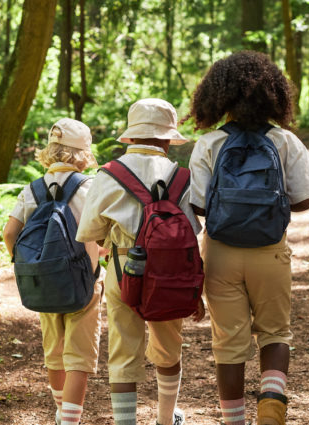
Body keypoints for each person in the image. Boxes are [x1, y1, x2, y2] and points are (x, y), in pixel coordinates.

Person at [185, 51, 309, 425]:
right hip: (270, 251)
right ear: (274, 94)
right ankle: (272, 402)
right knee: (276, 331)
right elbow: (306, 198)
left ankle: (235, 421)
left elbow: (197, 205)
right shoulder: (284, 141)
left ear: (216, 97)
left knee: (228, 343)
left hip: (221, 254)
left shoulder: (209, 144)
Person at [75, 98, 203, 425]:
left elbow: (89, 230)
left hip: (122, 269)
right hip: (171, 274)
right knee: (168, 347)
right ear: (167, 139)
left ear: (130, 137)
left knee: (122, 350)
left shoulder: (109, 174)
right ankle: (165, 419)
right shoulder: (182, 177)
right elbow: (191, 231)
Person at [2, 118, 103, 425]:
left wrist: (25, 265)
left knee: (54, 351)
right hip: (82, 282)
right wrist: (98, 262)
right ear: (83, 154)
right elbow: (98, 238)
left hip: (43, 280)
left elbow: (9, 233)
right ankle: (70, 421)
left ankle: (60, 412)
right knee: (79, 358)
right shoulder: (91, 188)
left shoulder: (31, 190)